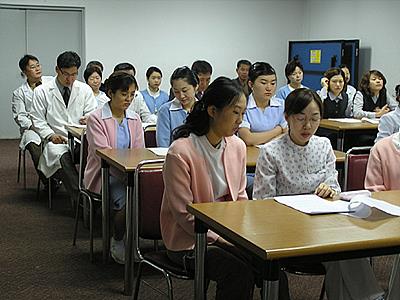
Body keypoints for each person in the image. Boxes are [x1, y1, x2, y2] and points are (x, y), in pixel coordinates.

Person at [253, 88, 385, 300]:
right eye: (300, 118)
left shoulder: (323, 145)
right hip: (286, 231)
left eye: (314, 119)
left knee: (347, 249)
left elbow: (334, 185)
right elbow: (262, 203)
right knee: (340, 253)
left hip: (324, 226)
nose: (308, 126)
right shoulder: (271, 152)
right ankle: (372, 297)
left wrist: (330, 189)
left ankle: (370, 297)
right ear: (287, 117)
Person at [160, 77, 254, 300]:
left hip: (228, 233)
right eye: (235, 113)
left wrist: (243, 236)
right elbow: (185, 215)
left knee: (271, 263)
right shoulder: (181, 152)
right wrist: (225, 239)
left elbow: (240, 198)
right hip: (189, 240)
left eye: (243, 113)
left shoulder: (237, 146)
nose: (240, 120)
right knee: (237, 271)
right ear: (212, 110)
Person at [84, 71, 144, 264]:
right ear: (110, 93)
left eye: (132, 94)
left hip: (129, 172)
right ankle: (118, 239)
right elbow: (103, 153)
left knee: (151, 194)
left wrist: (131, 173)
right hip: (105, 173)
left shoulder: (134, 118)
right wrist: (125, 174)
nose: (129, 99)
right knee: (129, 200)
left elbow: (139, 152)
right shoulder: (96, 118)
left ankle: (132, 240)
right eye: (124, 94)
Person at [31, 51, 97, 206]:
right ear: (57, 70)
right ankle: (82, 200)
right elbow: (37, 119)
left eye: (74, 74)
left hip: (80, 139)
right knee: (62, 157)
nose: (70, 79)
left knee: (96, 153)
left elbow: (93, 113)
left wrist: (89, 118)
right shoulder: (42, 91)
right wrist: (50, 135)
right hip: (57, 141)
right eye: (66, 74)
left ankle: (95, 192)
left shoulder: (84, 89)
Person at [12, 54, 53, 187]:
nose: (37, 69)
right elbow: (20, 116)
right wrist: (35, 126)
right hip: (32, 128)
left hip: (53, 124)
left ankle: (60, 176)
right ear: (25, 72)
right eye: (32, 67)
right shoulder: (19, 93)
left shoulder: (52, 82)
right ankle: (49, 181)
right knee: (33, 144)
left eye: (38, 65)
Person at [238, 62, 287, 146]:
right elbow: (248, 139)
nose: (269, 88)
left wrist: (260, 139)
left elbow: (287, 134)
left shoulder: (281, 105)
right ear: (251, 84)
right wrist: (278, 130)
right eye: (263, 83)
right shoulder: (244, 106)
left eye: (273, 83)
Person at [156, 66, 198, 147]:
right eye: (176, 92)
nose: (181, 96)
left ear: (195, 87)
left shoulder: (204, 109)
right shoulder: (165, 111)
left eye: (185, 90)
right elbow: (163, 146)